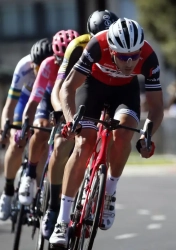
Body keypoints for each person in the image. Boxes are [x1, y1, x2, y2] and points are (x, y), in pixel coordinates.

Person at [49, 18, 164, 247]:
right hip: (94, 88)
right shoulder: (96, 46)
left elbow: (157, 107)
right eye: (123, 56)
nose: (130, 62)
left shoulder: (149, 57)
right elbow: (69, 87)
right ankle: (62, 220)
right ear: (111, 50)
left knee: (123, 134)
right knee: (84, 144)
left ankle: (109, 192)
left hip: (125, 92)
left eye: (134, 55)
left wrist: (146, 135)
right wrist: (71, 120)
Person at [41, 10, 118, 240]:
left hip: (106, 92)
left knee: (115, 132)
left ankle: (97, 190)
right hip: (75, 95)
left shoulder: (121, 48)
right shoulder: (78, 47)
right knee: (63, 143)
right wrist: (63, 115)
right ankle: (54, 206)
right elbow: (59, 89)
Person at [17, 30, 79, 207]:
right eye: (60, 59)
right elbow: (33, 101)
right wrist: (25, 128)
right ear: (55, 56)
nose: (64, 65)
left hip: (70, 100)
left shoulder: (84, 64)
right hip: (48, 98)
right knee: (41, 128)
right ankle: (29, 173)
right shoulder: (47, 65)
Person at [0, 38, 53, 221]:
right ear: (32, 64)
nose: (41, 72)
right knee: (17, 141)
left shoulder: (54, 68)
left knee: (43, 142)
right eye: (38, 68)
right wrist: (5, 129)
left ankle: (40, 195)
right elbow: (9, 105)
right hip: (25, 102)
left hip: (44, 104)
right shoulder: (23, 67)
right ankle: (7, 192)